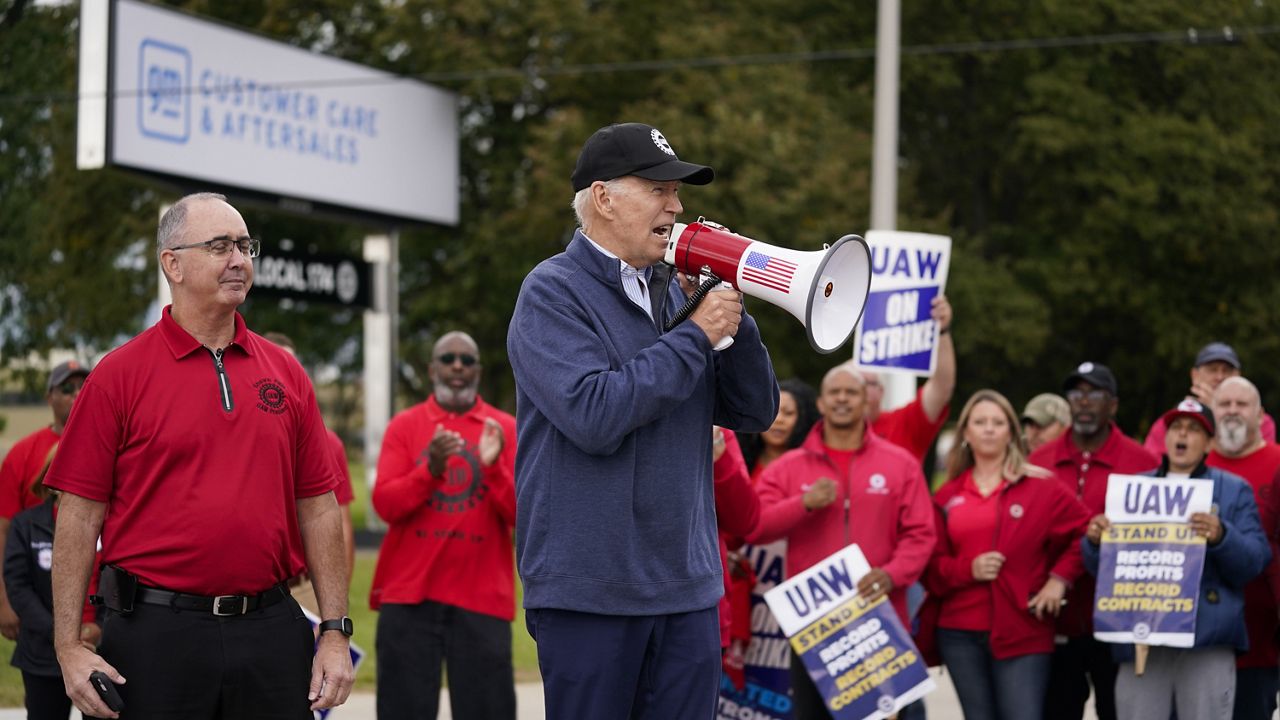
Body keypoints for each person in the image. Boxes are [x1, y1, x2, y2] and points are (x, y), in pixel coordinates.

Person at [44, 192, 353, 719]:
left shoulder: (287, 373)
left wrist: (332, 632)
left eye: (244, 245)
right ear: (173, 263)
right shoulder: (117, 376)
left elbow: (320, 507)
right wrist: (68, 646)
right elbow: (78, 515)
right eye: (219, 246)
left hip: (271, 631)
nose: (239, 259)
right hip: (154, 636)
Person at [507, 122, 779, 719]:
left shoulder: (676, 292)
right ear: (604, 198)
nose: (677, 206)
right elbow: (595, 413)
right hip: (590, 592)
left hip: (685, 588)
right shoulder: (551, 291)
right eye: (659, 188)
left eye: (677, 192)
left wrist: (730, 313)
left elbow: (757, 412)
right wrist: (697, 333)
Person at [750, 363, 935, 719]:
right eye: (834, 392)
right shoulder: (790, 467)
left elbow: (921, 534)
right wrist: (802, 504)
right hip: (814, 629)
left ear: (866, 401)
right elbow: (756, 525)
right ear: (820, 403)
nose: (842, 399)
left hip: (878, 623)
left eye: (851, 392)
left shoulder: (900, 464)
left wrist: (891, 574)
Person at [1084, 399, 1270, 720]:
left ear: (1209, 443)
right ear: (1166, 437)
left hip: (1206, 639)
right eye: (1176, 428)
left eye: (1193, 429)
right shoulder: (1133, 490)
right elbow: (1100, 570)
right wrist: (1095, 542)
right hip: (1142, 639)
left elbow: (1254, 561)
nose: (1182, 435)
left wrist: (1222, 536)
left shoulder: (1233, 490)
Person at [370, 331, 518, 720]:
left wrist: (493, 466)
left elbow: (522, 515)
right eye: (448, 358)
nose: (457, 366)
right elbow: (386, 505)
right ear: (432, 368)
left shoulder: (504, 428)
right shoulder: (405, 426)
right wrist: (430, 471)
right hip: (409, 599)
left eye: (467, 360)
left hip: (482, 600)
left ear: (478, 372)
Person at [1029, 362, 1158, 720]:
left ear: (1113, 405)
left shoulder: (1143, 463)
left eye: (1095, 395)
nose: (1084, 403)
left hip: (1119, 625)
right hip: (1055, 623)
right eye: (1077, 394)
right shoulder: (1039, 462)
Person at [4, 449, 100, 720]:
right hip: (43, 654)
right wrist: (63, 632)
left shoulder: (112, 523)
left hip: (103, 651)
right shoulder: (27, 524)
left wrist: (100, 627)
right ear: (50, 476)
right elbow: (18, 586)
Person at [1204, 377, 1280, 720]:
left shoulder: (1277, 462)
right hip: (1201, 638)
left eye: (1242, 404)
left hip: (1262, 637)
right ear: (1212, 412)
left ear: (1260, 414)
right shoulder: (1190, 467)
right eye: (1224, 404)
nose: (1232, 411)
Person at [0, 360, 90, 642]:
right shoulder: (23, 452)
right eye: (66, 388)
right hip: (37, 592)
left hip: (95, 598)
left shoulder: (113, 445)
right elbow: (3, 530)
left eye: (83, 386)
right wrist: (4, 600)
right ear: (49, 397)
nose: (76, 393)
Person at [263, 331, 357, 583]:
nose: (280, 372)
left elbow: (339, 521)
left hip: (306, 580)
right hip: (259, 582)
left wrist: (337, 601)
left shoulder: (331, 443)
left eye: (289, 363)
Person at [859, 296, 955, 463]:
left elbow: (942, 387)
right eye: (853, 385)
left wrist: (941, 331)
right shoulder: (825, 432)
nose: (860, 391)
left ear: (882, 391)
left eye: (868, 384)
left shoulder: (903, 424)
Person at [1143, 342, 1276, 456]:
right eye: (1212, 370)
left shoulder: (1259, 420)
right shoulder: (1171, 422)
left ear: (1238, 376)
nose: (1219, 377)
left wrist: (1215, 410)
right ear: (1195, 375)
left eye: (1227, 371)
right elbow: (1156, 465)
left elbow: (1258, 460)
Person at [736, 378, 820, 481]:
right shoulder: (739, 462)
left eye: (788, 413)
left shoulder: (812, 466)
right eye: (772, 412)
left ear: (803, 419)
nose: (778, 420)